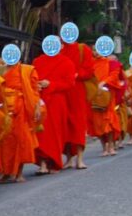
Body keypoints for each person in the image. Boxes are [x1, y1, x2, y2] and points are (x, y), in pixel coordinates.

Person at [0, 58, 42, 183]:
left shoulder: (26, 70)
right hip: (5, 109)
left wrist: (37, 107)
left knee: (21, 140)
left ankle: (19, 173)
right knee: (4, 142)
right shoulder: (0, 71)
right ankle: (6, 172)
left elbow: (34, 90)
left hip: (21, 109)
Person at [33, 50, 76, 173]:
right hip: (40, 100)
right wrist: (36, 84)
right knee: (41, 132)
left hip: (57, 101)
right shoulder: (38, 61)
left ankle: (53, 162)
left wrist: (51, 84)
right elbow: (32, 77)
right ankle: (43, 163)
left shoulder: (66, 62)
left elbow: (69, 83)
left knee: (55, 131)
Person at [60, 39, 95, 169]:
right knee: (65, 125)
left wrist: (76, 74)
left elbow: (89, 70)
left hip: (78, 91)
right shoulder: (59, 50)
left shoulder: (83, 49)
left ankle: (80, 159)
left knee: (78, 124)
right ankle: (68, 158)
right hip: (63, 92)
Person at [89, 50, 123, 156]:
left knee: (108, 121)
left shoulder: (111, 63)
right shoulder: (91, 63)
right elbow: (88, 77)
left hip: (108, 95)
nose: (96, 52)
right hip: (95, 96)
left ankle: (111, 146)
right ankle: (104, 147)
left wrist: (104, 82)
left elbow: (115, 76)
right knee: (98, 123)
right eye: (94, 50)